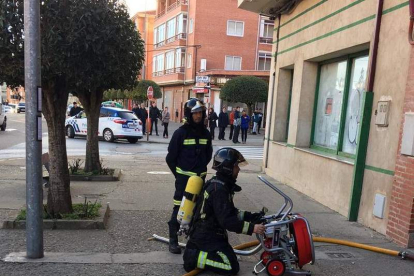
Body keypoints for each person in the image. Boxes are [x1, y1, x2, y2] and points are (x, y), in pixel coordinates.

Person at [183, 148, 266, 274]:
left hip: (212, 234)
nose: (238, 169)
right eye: (236, 166)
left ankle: (198, 253)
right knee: (230, 267)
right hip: (206, 237)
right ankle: (193, 257)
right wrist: (252, 228)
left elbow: (229, 211)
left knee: (231, 258)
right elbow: (227, 221)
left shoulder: (221, 184)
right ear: (227, 168)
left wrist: (252, 217)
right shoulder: (219, 190)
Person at [166, 98, 213, 254]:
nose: (198, 116)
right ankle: (173, 240)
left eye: (200, 113)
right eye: (195, 113)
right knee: (179, 208)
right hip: (183, 181)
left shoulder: (206, 134)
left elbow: (208, 155)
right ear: (189, 114)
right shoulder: (180, 133)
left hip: (200, 180)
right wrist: (179, 175)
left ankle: (193, 240)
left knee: (198, 210)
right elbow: (170, 158)